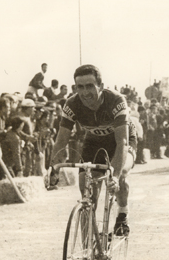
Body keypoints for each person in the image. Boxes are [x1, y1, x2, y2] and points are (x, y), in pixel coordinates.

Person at [48, 64, 136, 235]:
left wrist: (115, 176)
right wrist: (53, 169)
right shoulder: (72, 103)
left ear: (101, 86)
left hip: (121, 140)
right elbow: (60, 142)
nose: (85, 92)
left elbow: (122, 142)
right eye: (80, 87)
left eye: (90, 86)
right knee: (87, 192)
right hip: (94, 142)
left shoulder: (116, 100)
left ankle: (122, 214)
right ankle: (89, 250)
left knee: (121, 175)